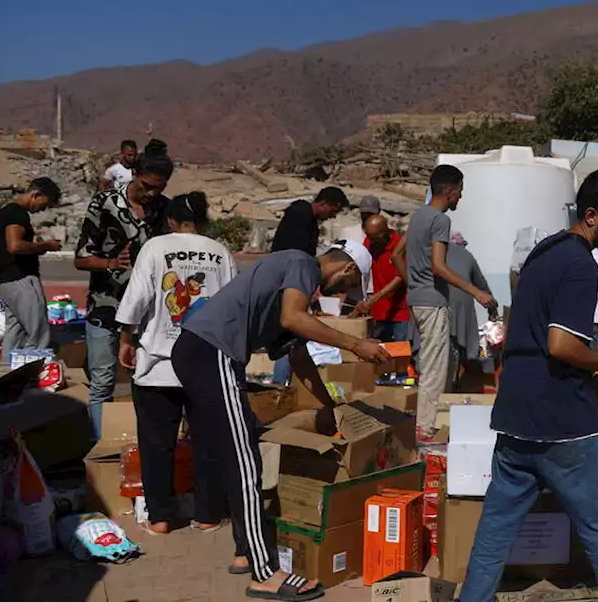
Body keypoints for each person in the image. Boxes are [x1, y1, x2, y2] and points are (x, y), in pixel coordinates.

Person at [462, 170, 598, 602]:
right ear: (591, 215)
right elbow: (560, 345)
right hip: (564, 426)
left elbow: (530, 335)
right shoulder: (580, 264)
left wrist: (589, 376)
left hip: (516, 412)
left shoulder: (543, 252)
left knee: (495, 531)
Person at [173, 243, 390, 601]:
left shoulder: (288, 284)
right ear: (347, 268)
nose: (340, 293)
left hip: (200, 351)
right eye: (346, 285)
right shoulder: (302, 264)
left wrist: (330, 406)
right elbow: (294, 318)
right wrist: (355, 344)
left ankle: (246, 552)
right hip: (212, 351)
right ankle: (264, 573)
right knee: (244, 460)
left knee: (230, 455)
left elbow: (298, 354)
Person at [115, 192, 236, 536]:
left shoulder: (155, 247)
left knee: (157, 443)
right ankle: (209, 514)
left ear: (170, 219)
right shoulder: (220, 252)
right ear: (203, 220)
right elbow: (231, 306)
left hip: (158, 364)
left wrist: (126, 339)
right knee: (207, 441)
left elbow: (137, 298)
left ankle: (161, 517)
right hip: (206, 362)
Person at [76, 142, 174, 438]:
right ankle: (99, 446)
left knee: (144, 380)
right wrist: (109, 262)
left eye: (159, 188)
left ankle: (140, 442)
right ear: (134, 174)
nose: (151, 194)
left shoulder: (163, 209)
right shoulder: (103, 204)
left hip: (145, 313)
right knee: (103, 380)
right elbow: (81, 258)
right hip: (106, 306)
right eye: (147, 186)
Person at [399, 165, 496, 439]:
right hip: (432, 302)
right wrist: (475, 291)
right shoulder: (440, 220)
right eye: (460, 192)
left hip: (416, 300)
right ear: (449, 190)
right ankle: (425, 431)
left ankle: (425, 425)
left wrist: (412, 283)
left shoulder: (418, 216)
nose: (460, 199)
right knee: (435, 370)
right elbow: (439, 267)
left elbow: (399, 254)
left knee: (429, 366)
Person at [0, 178, 62, 350]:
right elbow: (15, 246)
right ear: (36, 195)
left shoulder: (3, 214)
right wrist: (45, 245)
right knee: (37, 333)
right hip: (23, 281)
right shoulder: (17, 214)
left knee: (15, 333)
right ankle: (32, 373)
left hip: (7, 282)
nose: (42, 210)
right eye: (44, 204)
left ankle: (8, 372)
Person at [354, 214, 413, 344]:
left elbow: (400, 277)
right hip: (379, 310)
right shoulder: (369, 242)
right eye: (368, 236)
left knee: (399, 351)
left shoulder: (400, 246)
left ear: (385, 232)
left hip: (400, 311)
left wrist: (373, 299)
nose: (371, 240)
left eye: (375, 237)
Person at [445, 232, 492, 378]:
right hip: (460, 305)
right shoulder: (467, 255)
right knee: (458, 342)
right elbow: (481, 282)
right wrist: (492, 305)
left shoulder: (435, 252)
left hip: (438, 305)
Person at [270, 186, 349, 255]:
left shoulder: (311, 220)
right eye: (332, 211)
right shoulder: (299, 212)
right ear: (322, 203)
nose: (333, 216)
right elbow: (295, 249)